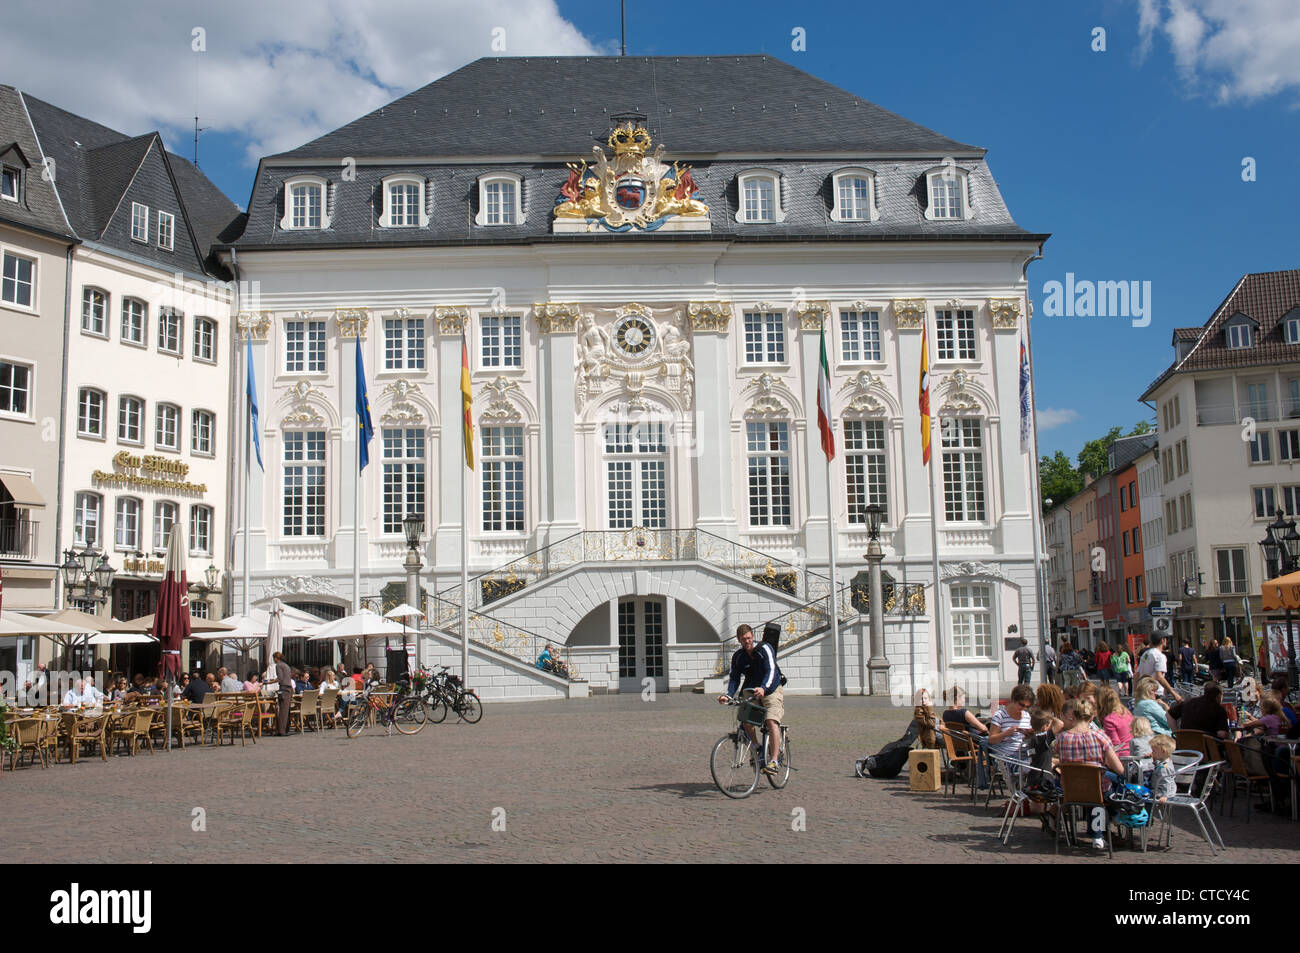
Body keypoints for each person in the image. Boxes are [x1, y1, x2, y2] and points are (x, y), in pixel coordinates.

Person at [1054, 697, 1125, 849]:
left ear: (1074, 715)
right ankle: (1112, 816)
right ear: (1092, 717)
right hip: (1097, 788)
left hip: (1071, 789)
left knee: (1094, 785)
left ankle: (1098, 833)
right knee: (1117, 779)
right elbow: (1119, 768)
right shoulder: (1099, 736)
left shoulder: (1061, 738)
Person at [718, 623, 785, 775]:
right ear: (739, 640)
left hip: (771, 688)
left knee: (771, 720)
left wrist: (764, 688)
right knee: (744, 718)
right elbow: (734, 678)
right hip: (752, 689)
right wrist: (728, 695)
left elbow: (771, 670)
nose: (746, 641)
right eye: (743, 639)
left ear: (752, 636)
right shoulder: (739, 657)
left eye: (748, 638)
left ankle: (774, 761)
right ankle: (756, 746)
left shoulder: (765, 649)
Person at [942, 685, 989, 788]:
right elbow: (983, 728)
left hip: (959, 744)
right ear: (956, 698)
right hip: (973, 744)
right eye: (963, 697)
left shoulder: (945, 714)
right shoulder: (964, 712)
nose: (964, 700)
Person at [987, 684, 1035, 763]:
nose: (1024, 708)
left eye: (1027, 706)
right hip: (1008, 757)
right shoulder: (1000, 715)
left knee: (1045, 762)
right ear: (1013, 700)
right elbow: (991, 740)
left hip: (1026, 754)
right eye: (1021, 705)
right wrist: (1005, 733)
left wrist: (1029, 733)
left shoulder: (1027, 716)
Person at [1136, 634, 1181, 703]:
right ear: (1162, 640)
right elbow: (1159, 677)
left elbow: (1137, 674)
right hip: (1155, 693)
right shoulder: (1160, 656)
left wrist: (1135, 693)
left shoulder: (1146, 654)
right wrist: (1174, 694)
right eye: (1166, 639)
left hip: (1144, 692)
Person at [1097, 686, 1133, 756]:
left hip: (1123, 755)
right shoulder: (1127, 713)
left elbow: (1116, 745)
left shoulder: (1109, 720)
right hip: (1133, 751)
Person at [268, 651, 294, 736]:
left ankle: (281, 731)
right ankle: (286, 729)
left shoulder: (278, 665)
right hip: (289, 688)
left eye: (274, 658)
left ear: (276, 658)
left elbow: (280, 678)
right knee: (287, 710)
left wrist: (270, 682)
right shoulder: (286, 666)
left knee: (282, 710)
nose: (274, 660)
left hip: (284, 688)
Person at [1148, 735, 1178, 804]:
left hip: (1162, 792)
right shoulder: (1165, 762)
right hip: (1158, 789)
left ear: (1163, 751)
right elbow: (1158, 766)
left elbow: (1166, 783)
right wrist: (1154, 759)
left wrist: (1165, 796)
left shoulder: (1165, 768)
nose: (1152, 752)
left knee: (1141, 793)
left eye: (1154, 751)